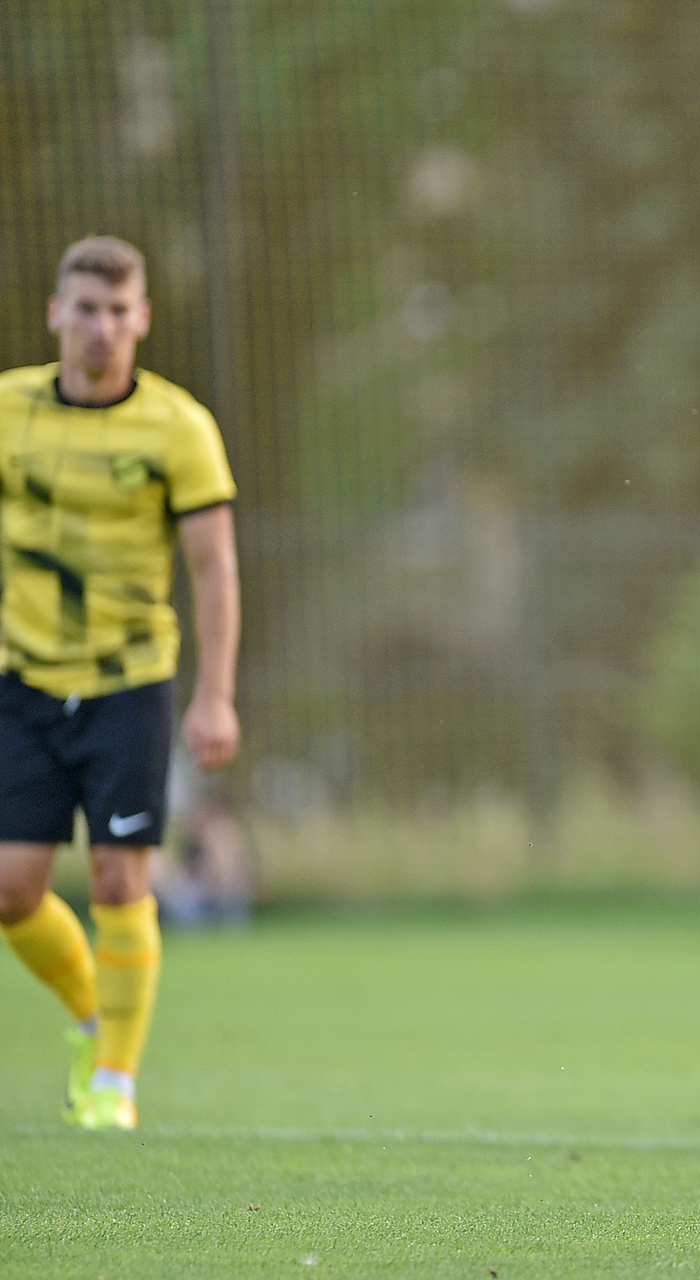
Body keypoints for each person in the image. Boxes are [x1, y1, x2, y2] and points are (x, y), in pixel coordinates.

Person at [0, 236, 241, 1131]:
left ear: (141, 319)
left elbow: (213, 567)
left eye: (117, 311)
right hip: (22, 680)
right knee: (11, 892)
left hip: (129, 682)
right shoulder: (9, 410)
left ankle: (116, 1082)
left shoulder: (178, 427)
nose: (101, 327)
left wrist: (215, 695)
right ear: (56, 314)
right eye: (86, 309)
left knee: (116, 878)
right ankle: (94, 1015)